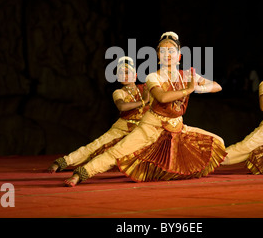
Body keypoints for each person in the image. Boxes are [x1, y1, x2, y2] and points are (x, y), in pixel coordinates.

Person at [63, 31, 226, 186]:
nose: (167, 54)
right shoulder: (153, 77)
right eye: (162, 51)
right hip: (152, 126)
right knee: (118, 151)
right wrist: (188, 90)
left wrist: (198, 87)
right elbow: (162, 97)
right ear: (157, 56)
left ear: (179, 56)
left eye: (171, 51)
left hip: (177, 127)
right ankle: (81, 173)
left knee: (217, 142)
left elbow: (217, 86)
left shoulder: (187, 76)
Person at [47, 56, 149, 173]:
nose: (124, 75)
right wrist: (143, 102)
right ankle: (62, 162)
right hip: (123, 127)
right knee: (96, 146)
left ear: (135, 75)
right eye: (120, 73)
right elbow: (121, 106)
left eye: (127, 72)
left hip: (141, 128)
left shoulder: (144, 89)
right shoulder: (119, 92)